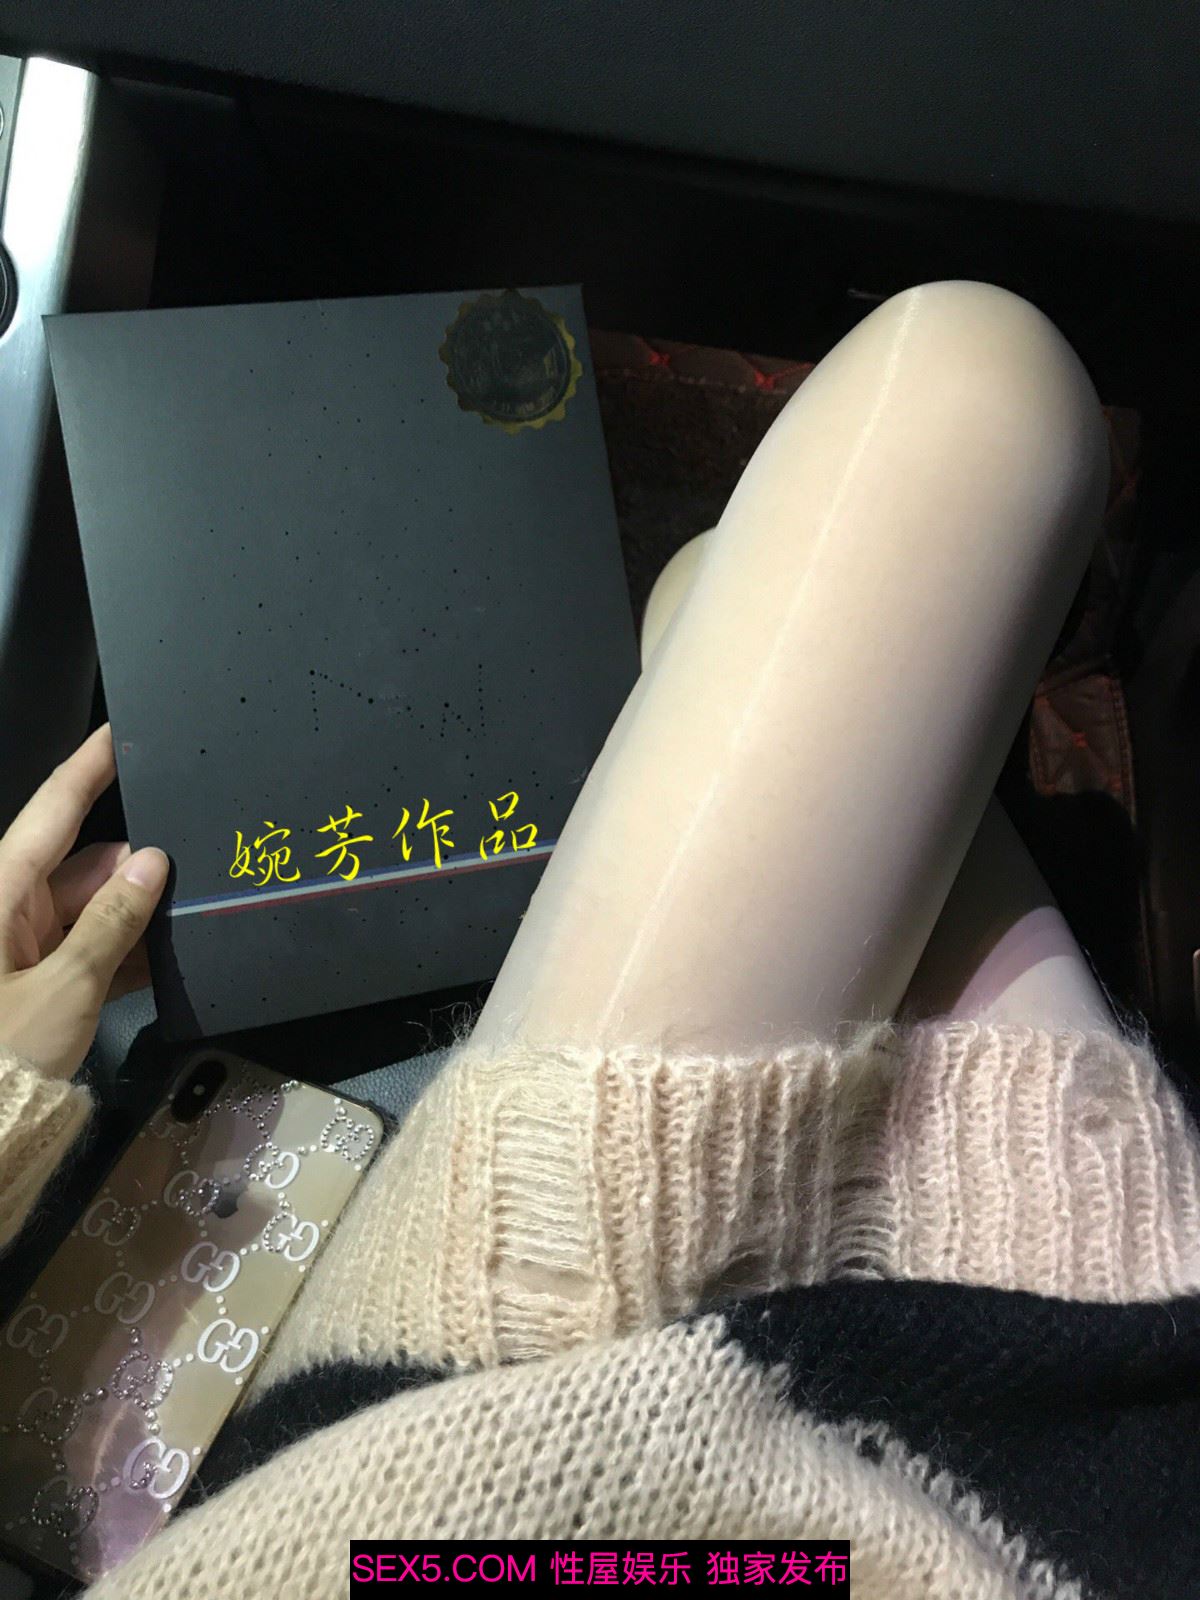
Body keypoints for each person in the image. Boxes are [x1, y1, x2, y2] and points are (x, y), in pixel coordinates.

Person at [3, 282, 1200, 1599]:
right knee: (971, 383)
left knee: (721, 579)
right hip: (469, 1483)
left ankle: (702, 605)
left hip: (1070, 1486)